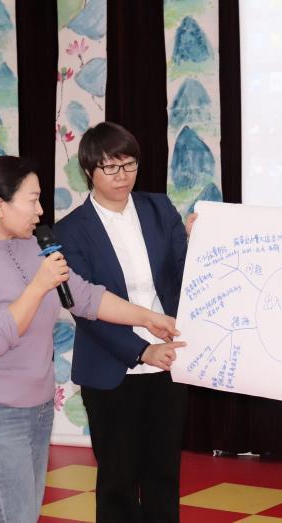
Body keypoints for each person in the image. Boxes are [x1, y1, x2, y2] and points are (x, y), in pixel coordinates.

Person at [0, 155, 184, 523]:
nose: (41, 210)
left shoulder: (33, 247)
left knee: (25, 514)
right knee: (12, 517)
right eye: (32, 200)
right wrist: (39, 286)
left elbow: (86, 297)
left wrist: (150, 318)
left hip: (37, 408)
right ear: (0, 207)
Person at [55, 122, 194, 522]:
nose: (122, 175)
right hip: (110, 368)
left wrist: (200, 242)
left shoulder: (159, 208)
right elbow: (86, 309)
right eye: (110, 167)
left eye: (129, 164)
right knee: (118, 479)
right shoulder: (71, 230)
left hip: (168, 362)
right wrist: (141, 350)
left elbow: (183, 275)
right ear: (89, 171)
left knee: (163, 473)